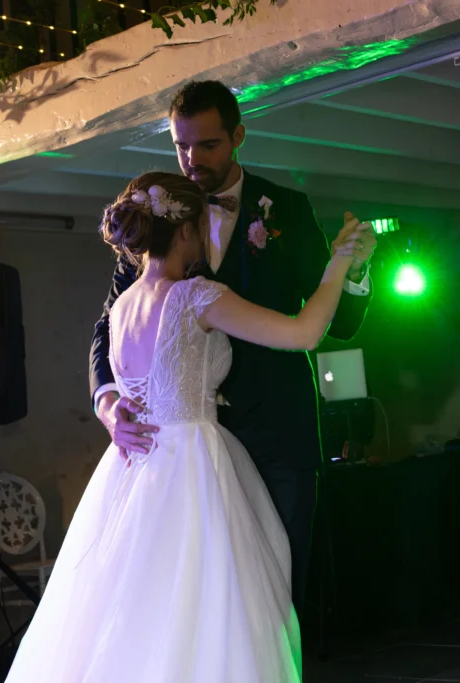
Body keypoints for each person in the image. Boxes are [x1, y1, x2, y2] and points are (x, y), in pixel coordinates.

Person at [4, 172, 367, 682]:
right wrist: (341, 260)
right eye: (199, 228)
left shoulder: (123, 306)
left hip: (137, 469)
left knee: (141, 609)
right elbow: (304, 333)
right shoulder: (197, 296)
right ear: (183, 232)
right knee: (215, 605)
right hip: (196, 464)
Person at [90, 81, 376, 611]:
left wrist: (351, 272)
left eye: (207, 145)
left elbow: (335, 325)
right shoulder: (158, 217)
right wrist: (109, 406)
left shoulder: (286, 208)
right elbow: (107, 331)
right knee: (195, 598)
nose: (191, 160)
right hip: (185, 446)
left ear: (238, 136)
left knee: (278, 591)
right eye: (181, 146)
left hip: (277, 434)